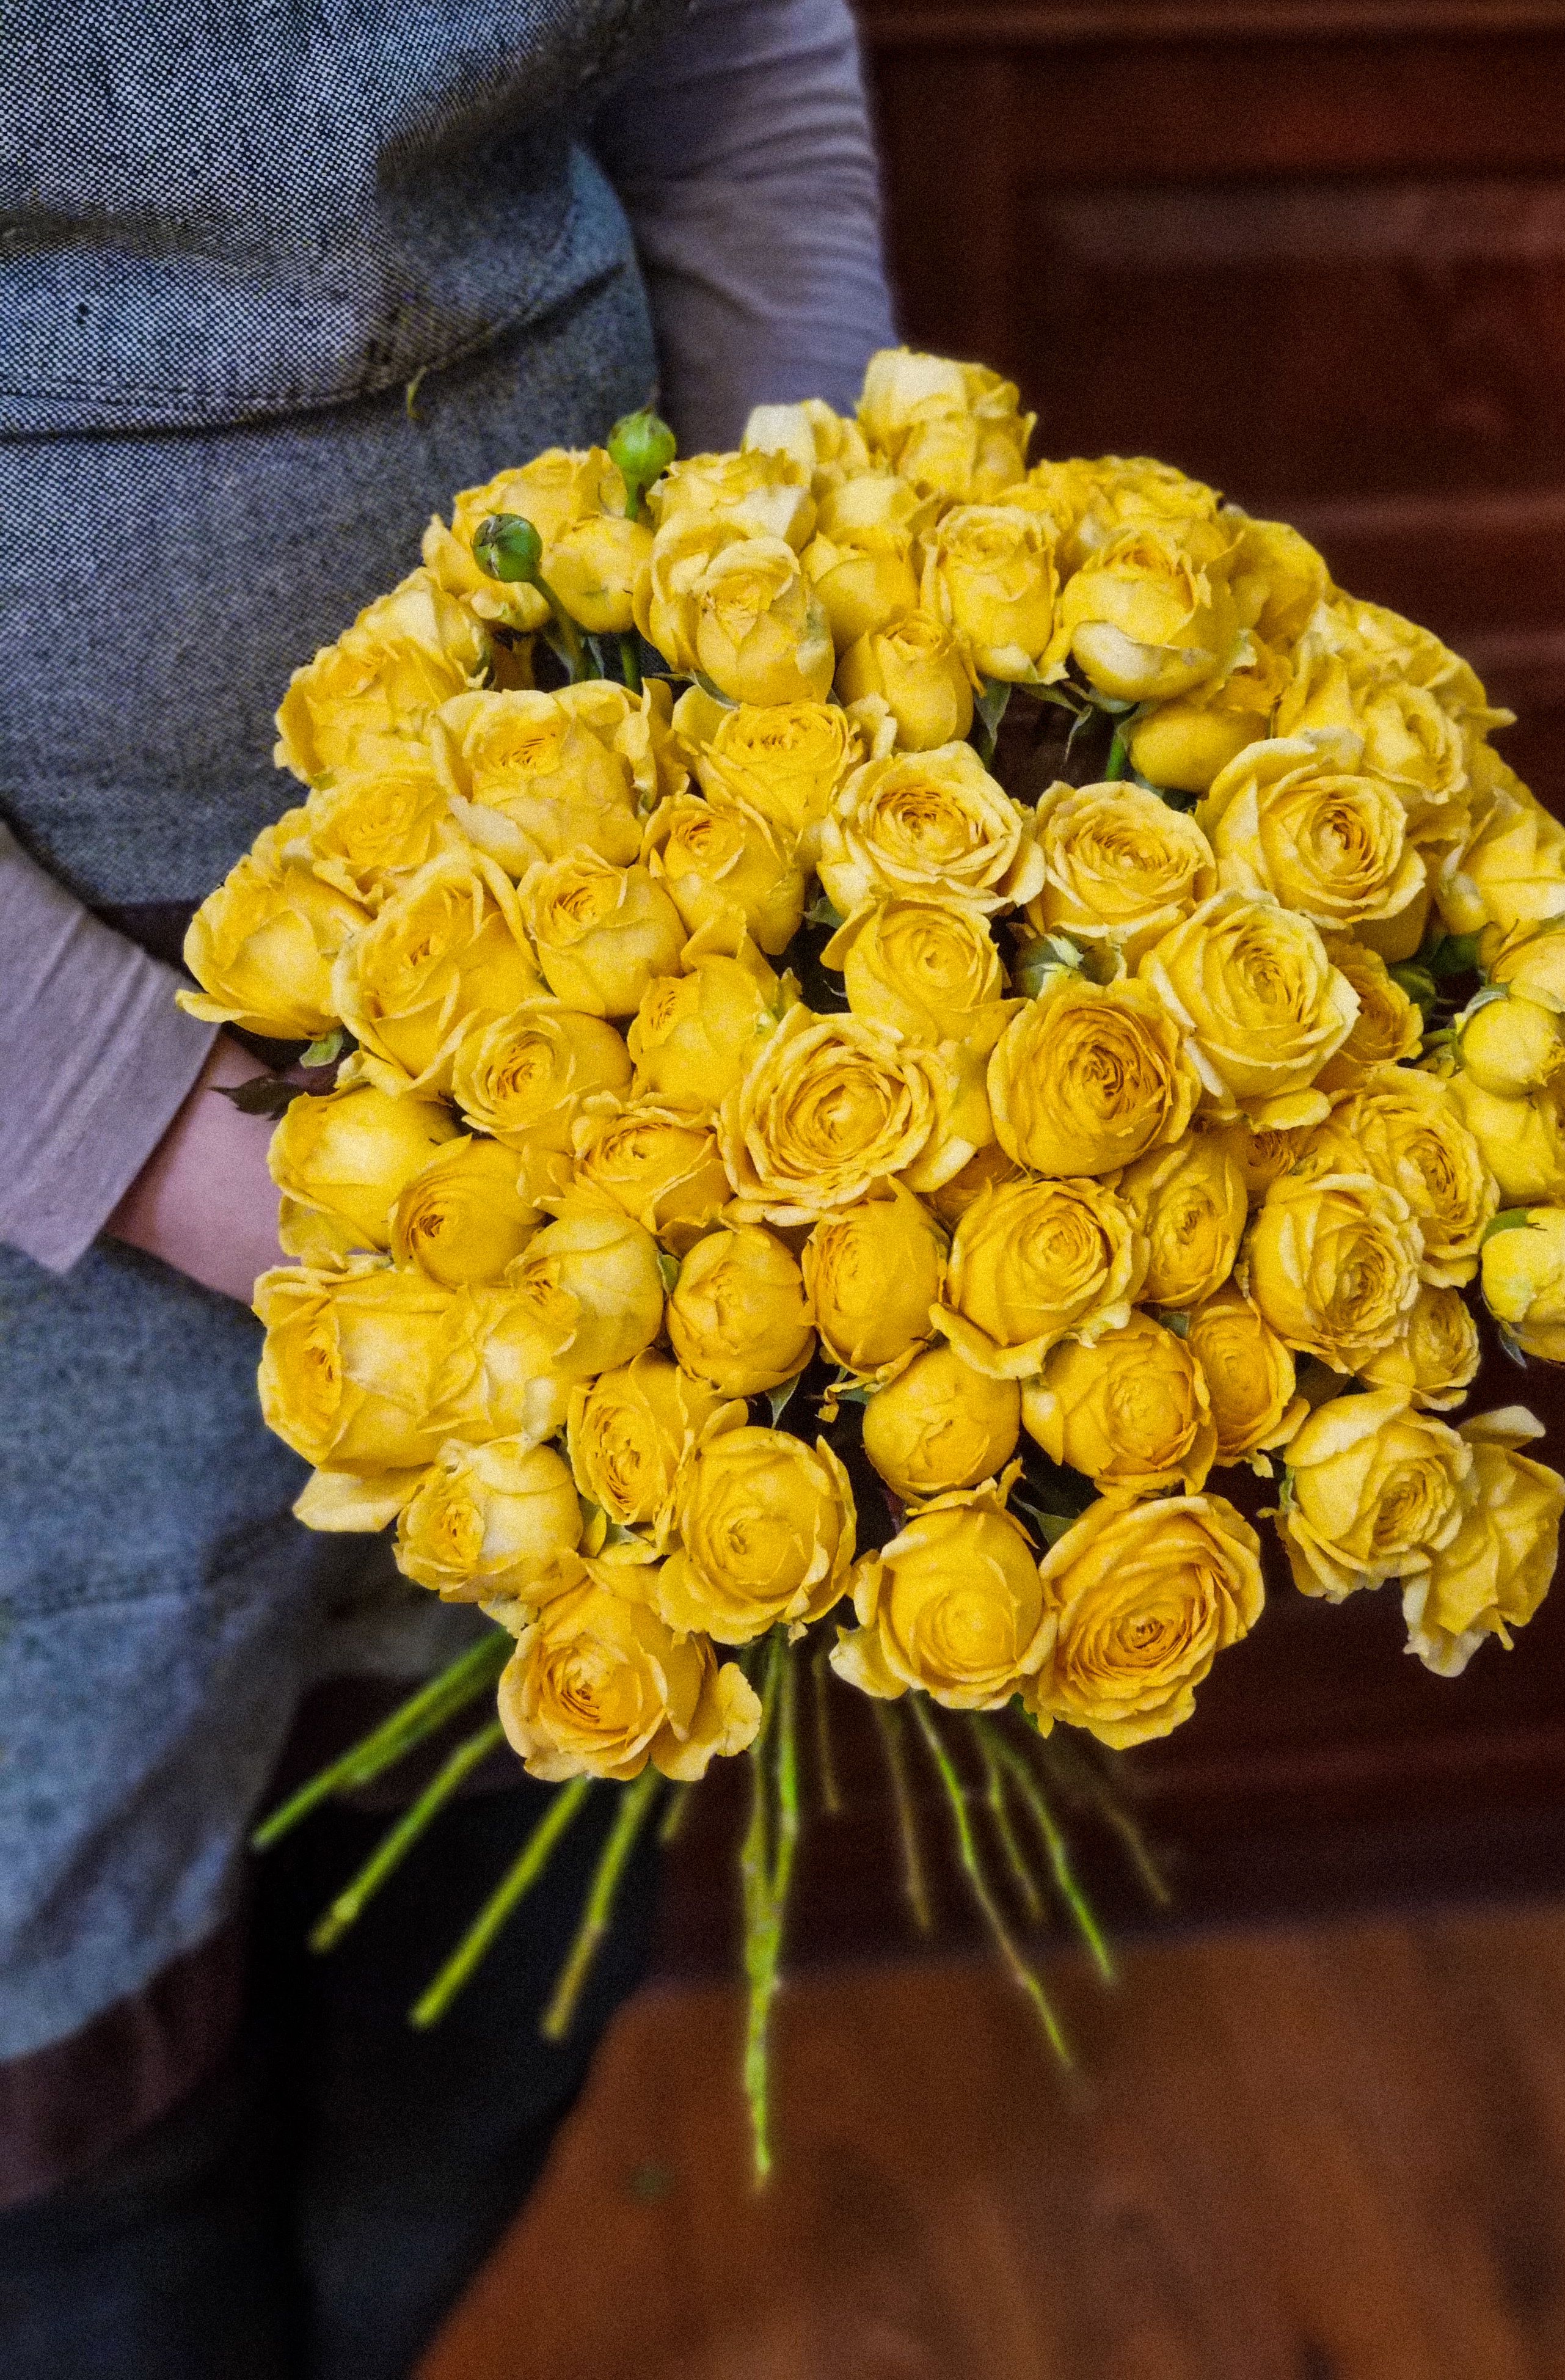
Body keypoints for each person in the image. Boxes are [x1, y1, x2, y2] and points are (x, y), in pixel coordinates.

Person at [0, 3, 895, 2371]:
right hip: (44, 1224)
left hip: (625, 1061)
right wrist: (177, 1149)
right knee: (81, 2170)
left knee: (473, 2031)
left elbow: (733, 76)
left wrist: (825, 729)